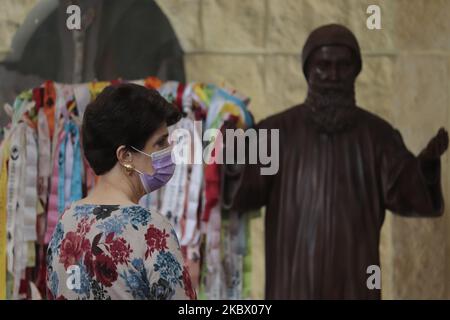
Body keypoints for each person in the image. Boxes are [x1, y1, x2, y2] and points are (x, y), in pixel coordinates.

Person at [225, 24, 449, 299]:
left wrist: (424, 166)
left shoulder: (378, 135)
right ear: (308, 69)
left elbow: (406, 194)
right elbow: (245, 192)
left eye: (343, 66)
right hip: (293, 283)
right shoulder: (276, 132)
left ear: (355, 71)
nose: (333, 75)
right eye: (323, 65)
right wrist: (232, 155)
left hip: (356, 284)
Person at [46, 83, 196, 300]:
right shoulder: (151, 230)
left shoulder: (66, 223)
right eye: (160, 142)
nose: (169, 150)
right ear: (125, 156)